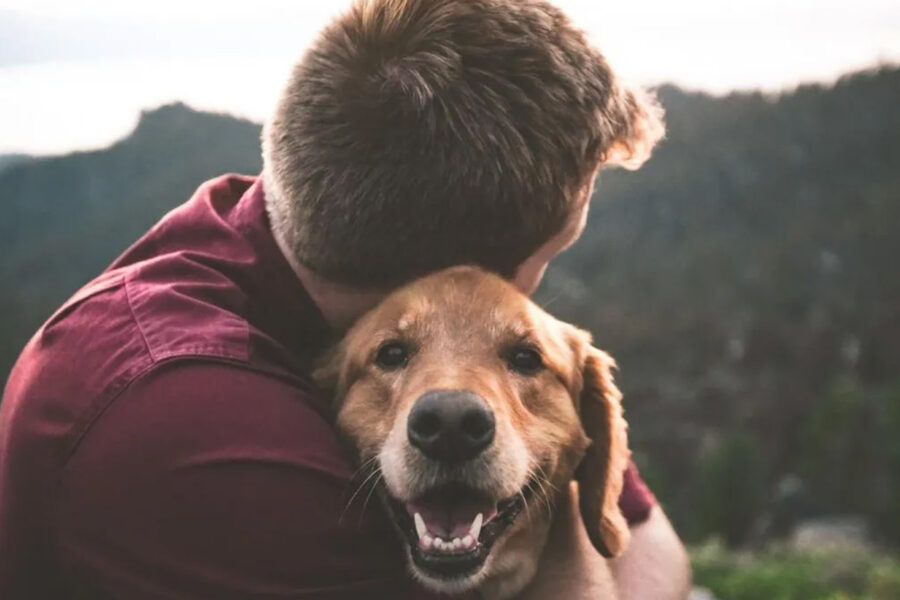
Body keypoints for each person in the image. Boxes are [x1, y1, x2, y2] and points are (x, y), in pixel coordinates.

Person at [0, 0, 689, 598]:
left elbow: (650, 539)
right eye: (550, 255)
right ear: (457, 271)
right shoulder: (194, 426)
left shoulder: (273, 234)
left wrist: (560, 477)